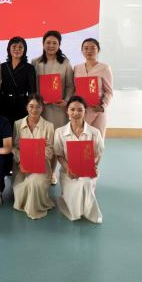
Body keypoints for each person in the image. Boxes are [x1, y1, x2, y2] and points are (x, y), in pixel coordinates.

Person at [31, 30, 74, 184]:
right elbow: (32, 86)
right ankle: (39, 170)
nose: (51, 45)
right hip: (40, 109)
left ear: (59, 45)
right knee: (40, 141)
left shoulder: (65, 63)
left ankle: (52, 173)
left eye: (54, 43)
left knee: (55, 142)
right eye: (48, 42)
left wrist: (66, 101)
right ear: (43, 44)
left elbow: (70, 86)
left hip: (58, 110)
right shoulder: (35, 62)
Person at [54, 95, 104, 223]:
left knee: (85, 183)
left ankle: (88, 212)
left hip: (87, 170)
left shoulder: (94, 132)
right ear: (67, 111)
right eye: (72, 109)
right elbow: (59, 154)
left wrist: (92, 166)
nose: (76, 113)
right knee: (75, 189)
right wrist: (68, 168)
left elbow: (98, 153)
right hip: (68, 171)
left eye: (80, 110)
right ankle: (75, 209)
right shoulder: (59, 132)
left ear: (85, 112)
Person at [12, 94, 55, 219]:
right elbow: (14, 147)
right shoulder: (18, 124)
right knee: (19, 189)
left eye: (38, 107)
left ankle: (34, 208)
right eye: (31, 106)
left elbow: (50, 149)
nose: (34, 110)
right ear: (26, 107)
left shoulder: (49, 126)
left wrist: (37, 158)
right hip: (22, 166)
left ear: (42, 108)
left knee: (33, 182)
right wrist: (21, 159)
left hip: (42, 166)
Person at [73, 38, 113, 138]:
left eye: (92, 48)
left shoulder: (104, 68)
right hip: (81, 111)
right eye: (86, 48)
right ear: (82, 50)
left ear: (98, 50)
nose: (89, 51)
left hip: (97, 110)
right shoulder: (77, 68)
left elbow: (109, 92)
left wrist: (103, 106)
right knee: (80, 139)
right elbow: (75, 89)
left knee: (97, 140)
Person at [0, 36, 37, 126]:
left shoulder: (29, 68)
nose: (17, 49)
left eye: (20, 47)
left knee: (20, 131)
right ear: (9, 49)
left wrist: (31, 107)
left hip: (22, 104)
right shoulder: (2, 66)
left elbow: (32, 91)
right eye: (14, 46)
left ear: (24, 50)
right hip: (4, 104)